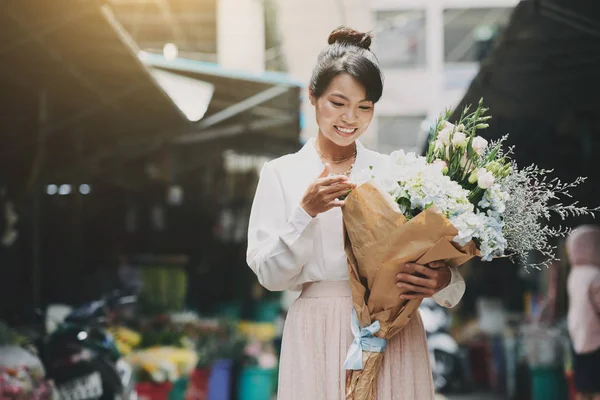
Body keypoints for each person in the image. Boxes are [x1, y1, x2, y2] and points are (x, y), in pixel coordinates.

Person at [247, 27, 466, 399]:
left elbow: (449, 280)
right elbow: (270, 276)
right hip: (317, 329)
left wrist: (443, 280)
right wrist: (305, 212)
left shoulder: (396, 173)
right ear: (312, 96)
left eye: (364, 107)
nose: (351, 118)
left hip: (392, 329)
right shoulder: (281, 174)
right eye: (338, 103)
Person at [566, 225, 600, 400]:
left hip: (577, 336)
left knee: (583, 386)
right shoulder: (595, 275)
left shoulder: (575, 274)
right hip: (596, 337)